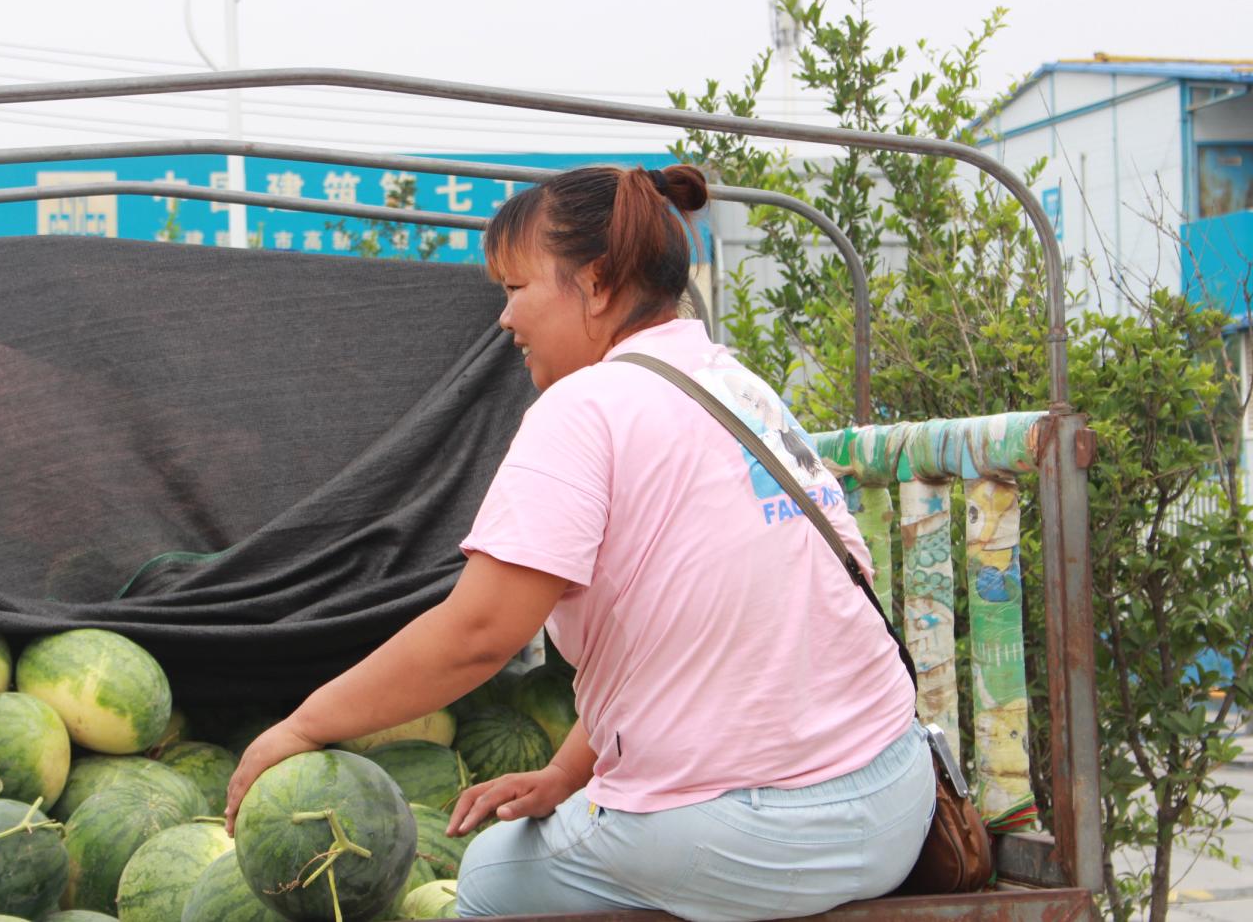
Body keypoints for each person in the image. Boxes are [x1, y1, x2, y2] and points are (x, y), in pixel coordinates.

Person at [225, 164, 933, 921]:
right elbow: (697, 632)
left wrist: (300, 726)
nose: (504, 320)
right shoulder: (736, 385)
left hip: (754, 837)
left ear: (594, 284)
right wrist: (567, 772)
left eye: (514, 289)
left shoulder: (583, 408)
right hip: (895, 795)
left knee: (491, 875)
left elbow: (477, 635)